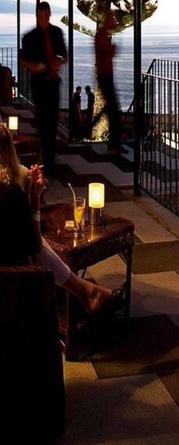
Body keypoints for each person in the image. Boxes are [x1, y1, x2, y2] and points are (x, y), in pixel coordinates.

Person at [0, 124, 120, 314]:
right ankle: (86, 293)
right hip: (12, 276)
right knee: (38, 242)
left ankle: (86, 292)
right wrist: (35, 199)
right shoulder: (11, 193)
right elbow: (34, 247)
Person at [20, 2, 68, 175]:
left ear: (49, 15)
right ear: (36, 16)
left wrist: (59, 61)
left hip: (53, 82)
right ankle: (47, 159)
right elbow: (24, 60)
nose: (43, 19)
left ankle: (49, 159)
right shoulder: (29, 37)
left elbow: (65, 56)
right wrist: (33, 67)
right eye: (40, 16)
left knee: (52, 122)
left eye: (45, 16)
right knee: (43, 121)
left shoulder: (57, 33)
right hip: (39, 83)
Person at [92, 9, 121, 151]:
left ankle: (113, 142)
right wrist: (113, 49)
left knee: (111, 108)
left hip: (105, 75)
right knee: (114, 110)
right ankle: (114, 144)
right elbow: (105, 54)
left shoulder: (102, 34)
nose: (115, 22)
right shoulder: (102, 35)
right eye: (112, 19)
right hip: (105, 76)